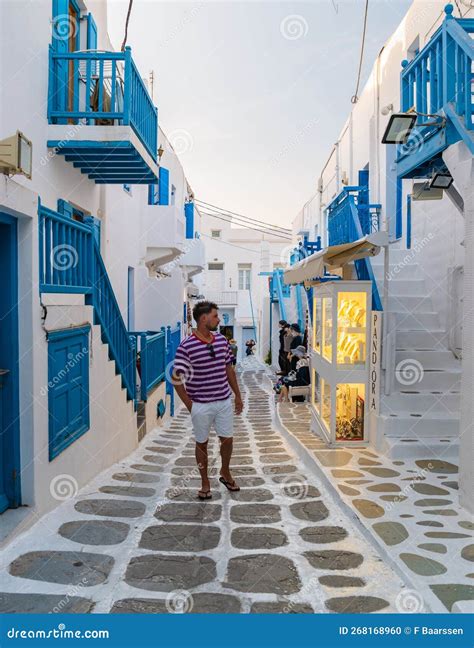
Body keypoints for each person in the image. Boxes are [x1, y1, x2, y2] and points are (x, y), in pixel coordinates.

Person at [172, 301, 244, 500]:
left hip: (223, 402)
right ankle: (205, 482)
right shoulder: (186, 346)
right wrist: (190, 405)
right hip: (200, 405)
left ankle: (225, 472)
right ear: (203, 319)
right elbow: (176, 378)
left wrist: (237, 395)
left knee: (227, 439)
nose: (218, 319)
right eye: (215, 316)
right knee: (201, 444)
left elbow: (229, 369)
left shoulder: (221, 341)